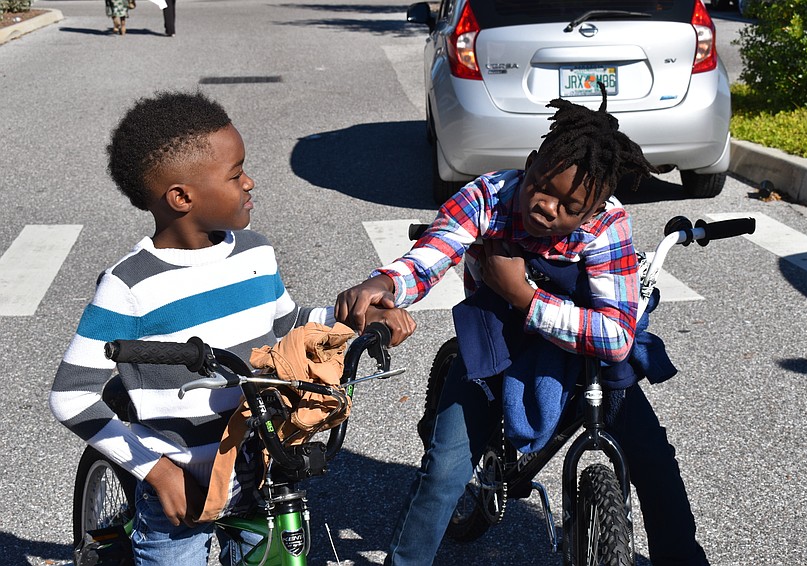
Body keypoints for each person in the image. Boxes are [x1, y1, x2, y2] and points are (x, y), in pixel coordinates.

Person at [335, 89, 710, 565]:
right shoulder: (488, 197)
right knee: (446, 471)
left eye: (569, 207)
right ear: (530, 163)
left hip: (582, 354)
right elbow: (432, 254)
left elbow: (614, 336)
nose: (548, 207)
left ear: (591, 211)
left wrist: (523, 295)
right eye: (542, 186)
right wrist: (383, 283)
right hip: (495, 343)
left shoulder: (606, 225)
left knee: (654, 461)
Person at [49, 90, 414, 565]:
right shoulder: (130, 285)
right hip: (182, 483)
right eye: (235, 173)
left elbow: (286, 323)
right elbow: (71, 394)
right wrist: (156, 472)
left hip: (261, 460)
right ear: (182, 197)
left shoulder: (255, 252)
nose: (250, 181)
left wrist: (353, 316)